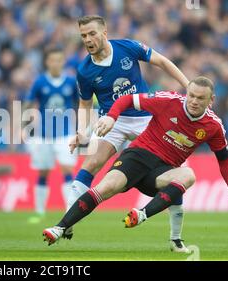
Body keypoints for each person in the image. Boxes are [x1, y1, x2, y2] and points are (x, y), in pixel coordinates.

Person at [43, 76, 228, 247]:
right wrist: (112, 117)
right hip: (138, 156)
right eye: (191, 96)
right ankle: (59, 228)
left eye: (200, 98)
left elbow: (224, 158)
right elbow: (127, 100)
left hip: (161, 173)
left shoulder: (213, 126)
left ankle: (142, 215)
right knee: (106, 187)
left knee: (188, 175)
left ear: (211, 100)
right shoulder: (168, 101)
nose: (194, 101)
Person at [66, 15, 191, 252]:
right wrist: (82, 133)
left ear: (104, 32)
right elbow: (84, 105)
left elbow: (163, 62)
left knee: (176, 172)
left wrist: (188, 85)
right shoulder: (84, 71)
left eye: (92, 33)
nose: (88, 40)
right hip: (112, 120)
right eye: (83, 36)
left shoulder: (128, 47)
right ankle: (68, 222)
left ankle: (175, 239)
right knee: (90, 164)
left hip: (144, 118)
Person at [24, 47, 79, 224]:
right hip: (44, 135)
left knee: (67, 170)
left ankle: (69, 210)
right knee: (43, 172)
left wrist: (83, 128)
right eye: (52, 60)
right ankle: (39, 212)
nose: (56, 63)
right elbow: (29, 103)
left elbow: (81, 103)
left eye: (59, 60)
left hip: (65, 134)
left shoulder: (71, 82)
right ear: (47, 62)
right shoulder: (40, 82)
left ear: (63, 62)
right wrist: (23, 124)